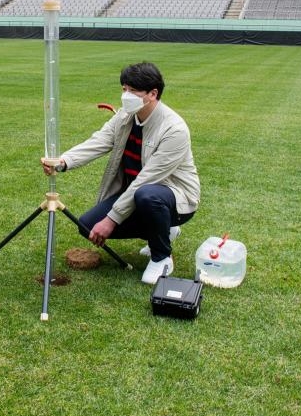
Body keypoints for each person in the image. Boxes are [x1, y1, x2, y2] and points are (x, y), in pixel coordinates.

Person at [41, 62, 200, 284]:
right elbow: (100, 140)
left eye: (133, 91)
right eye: (124, 88)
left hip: (174, 196)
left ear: (153, 94)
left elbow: (147, 179)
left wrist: (112, 219)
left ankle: (161, 257)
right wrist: (64, 161)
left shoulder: (175, 129)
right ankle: (163, 229)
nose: (126, 95)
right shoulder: (126, 115)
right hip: (137, 194)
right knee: (87, 225)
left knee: (147, 195)